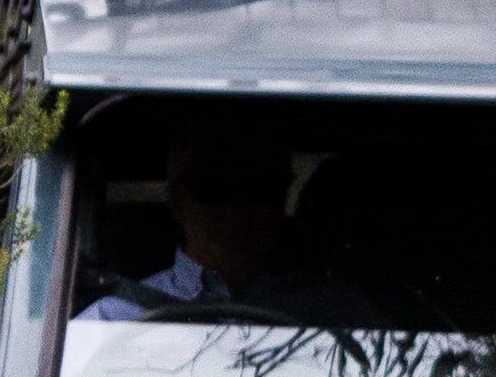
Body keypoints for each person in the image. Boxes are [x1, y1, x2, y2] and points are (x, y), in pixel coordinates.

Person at [83, 132, 358, 321]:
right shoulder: (114, 319)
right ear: (178, 203)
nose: (238, 209)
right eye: (217, 189)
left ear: (283, 198)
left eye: (262, 190)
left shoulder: (336, 310)